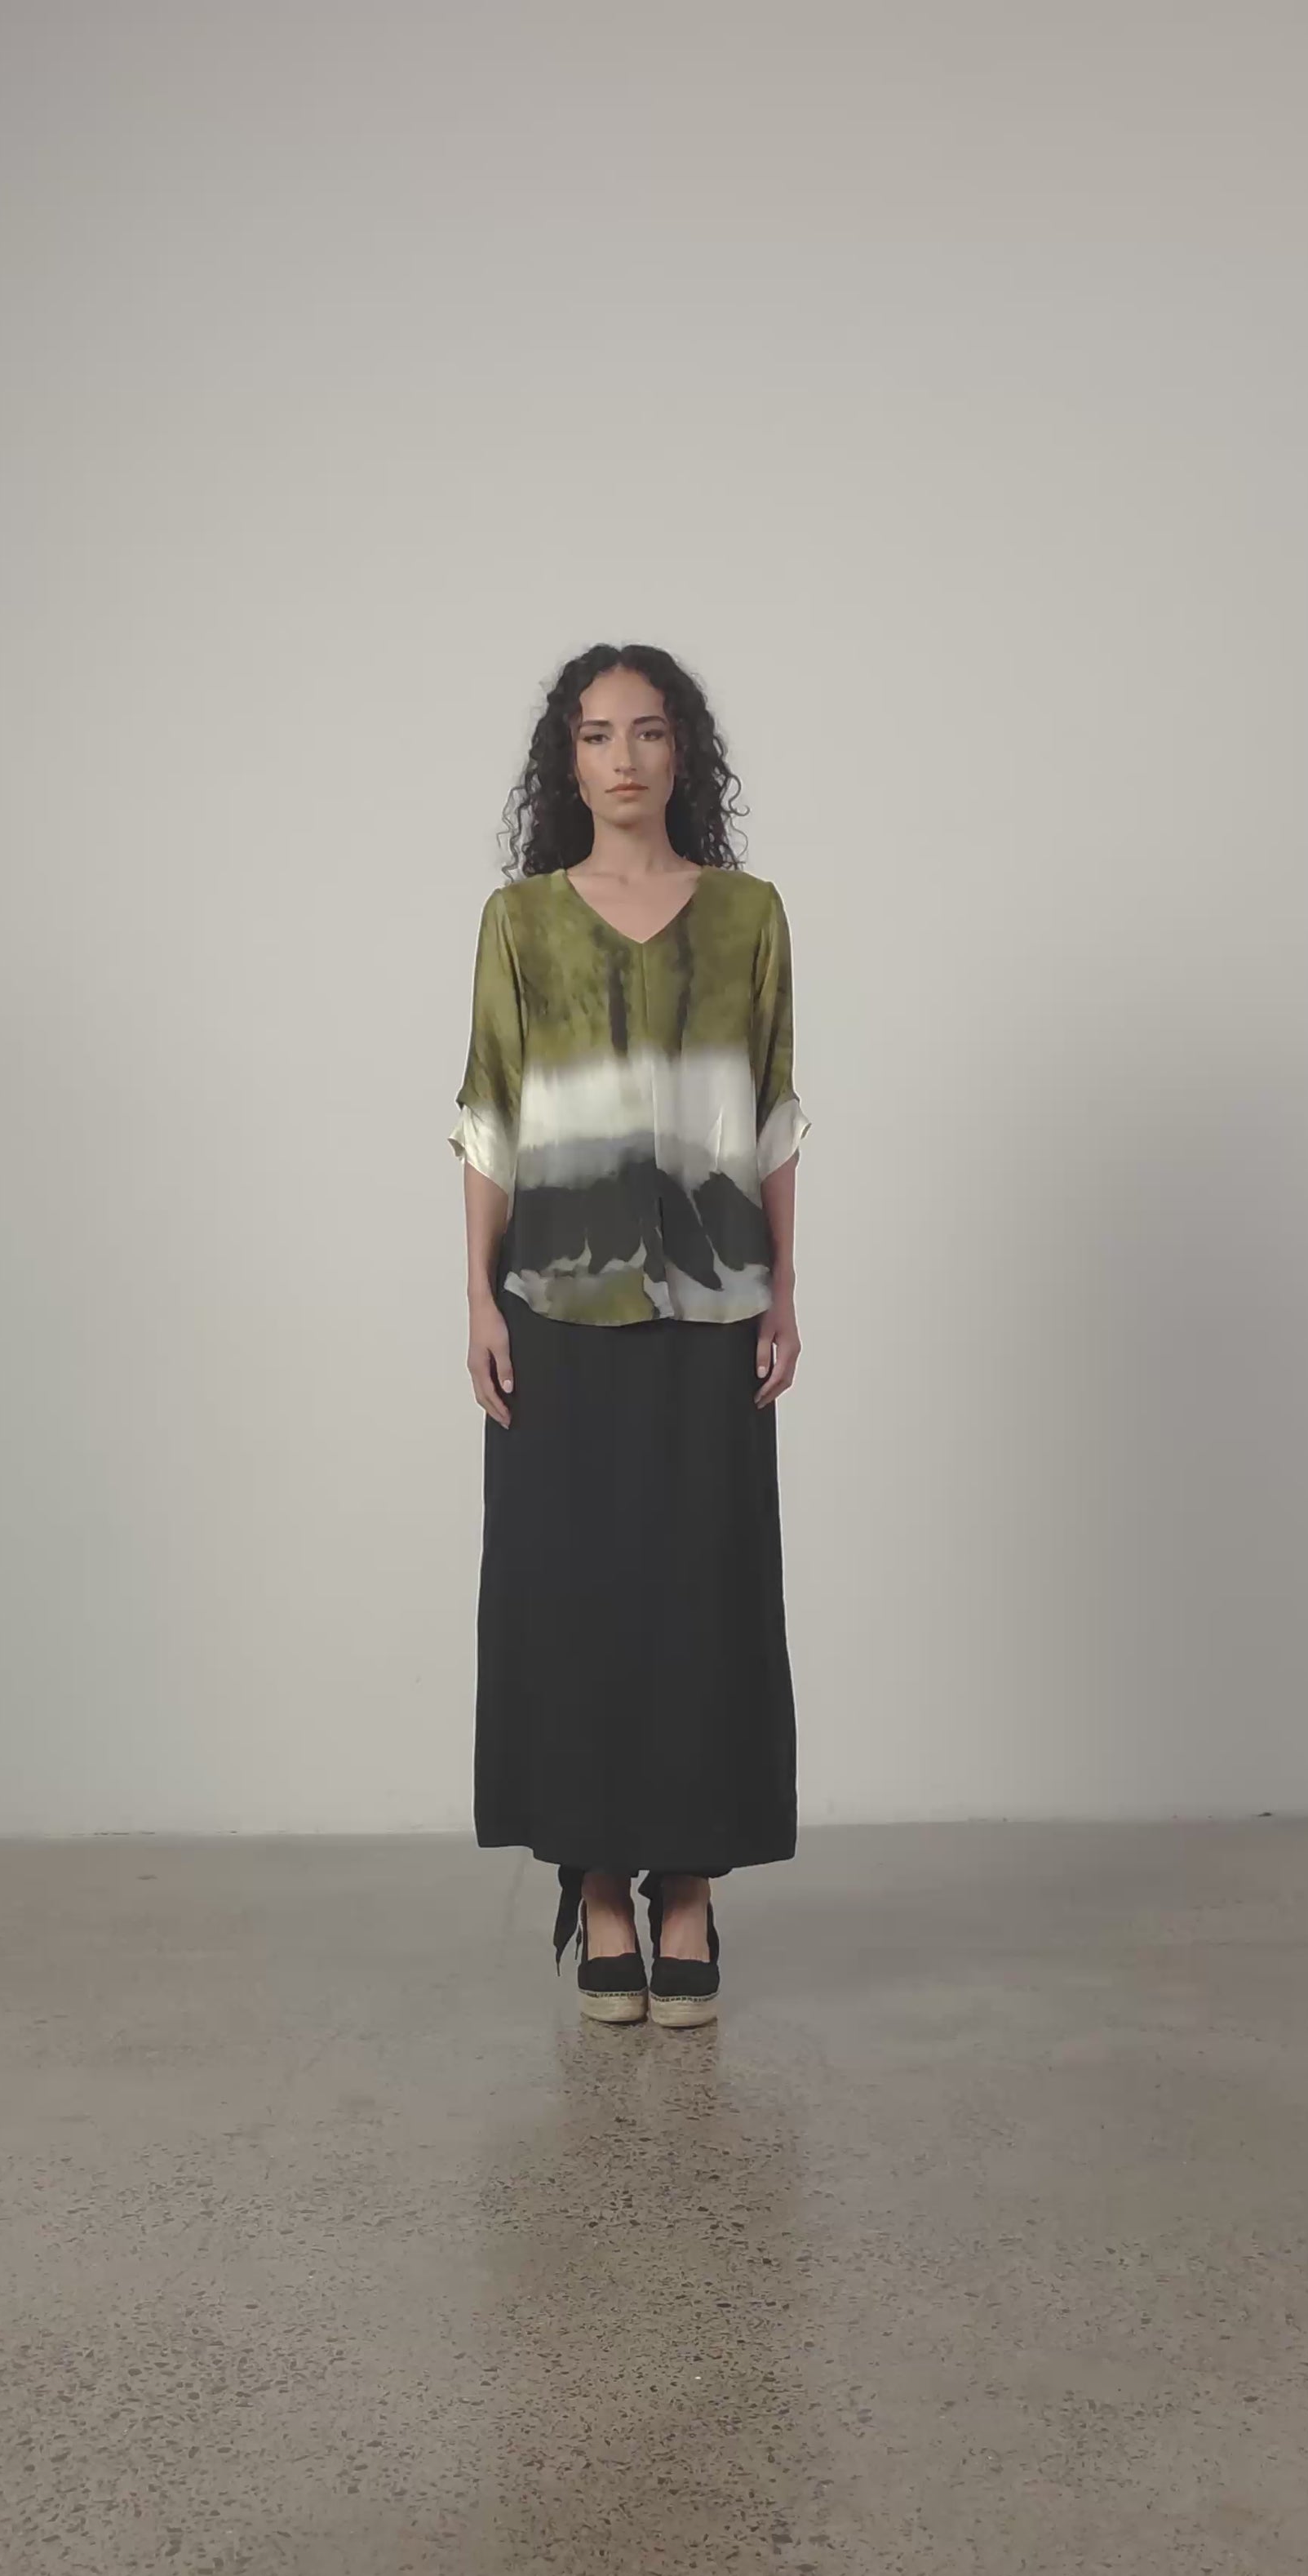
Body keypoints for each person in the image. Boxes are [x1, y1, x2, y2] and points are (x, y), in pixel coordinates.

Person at [448, 643, 809, 2029]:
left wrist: (787, 1289)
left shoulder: (751, 916)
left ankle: (690, 1886)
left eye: (649, 732)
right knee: (576, 1592)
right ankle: (600, 1884)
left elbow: (774, 1112)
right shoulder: (521, 923)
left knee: (703, 1591)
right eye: (597, 735)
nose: (624, 759)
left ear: (682, 752)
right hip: (557, 1303)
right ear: (568, 759)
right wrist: (476, 1297)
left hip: (715, 1306)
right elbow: (489, 1114)